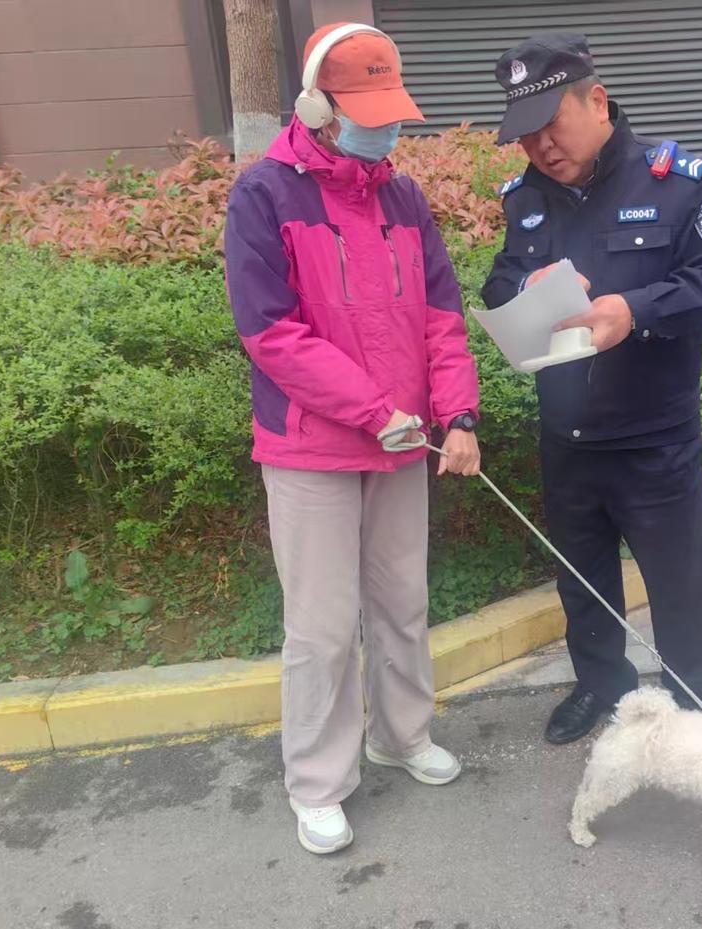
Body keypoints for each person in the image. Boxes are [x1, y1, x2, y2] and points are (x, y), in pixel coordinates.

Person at [224, 22, 482, 855]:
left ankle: (400, 735)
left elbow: (441, 317)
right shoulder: (264, 195)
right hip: (313, 446)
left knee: (402, 600)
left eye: (390, 110)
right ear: (316, 107)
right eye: (368, 112)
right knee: (324, 625)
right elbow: (271, 334)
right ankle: (317, 782)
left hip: (403, 441)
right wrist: (374, 409)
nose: (385, 127)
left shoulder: (403, 198)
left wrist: (458, 414)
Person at [480, 34, 702, 745]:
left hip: (655, 437)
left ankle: (692, 697)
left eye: (551, 125)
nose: (539, 147)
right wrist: (523, 286)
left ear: (596, 101)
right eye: (524, 135)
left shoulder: (677, 181)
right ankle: (601, 683)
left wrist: (636, 309)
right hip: (567, 436)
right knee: (583, 578)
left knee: (681, 583)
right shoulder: (526, 199)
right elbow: (499, 281)